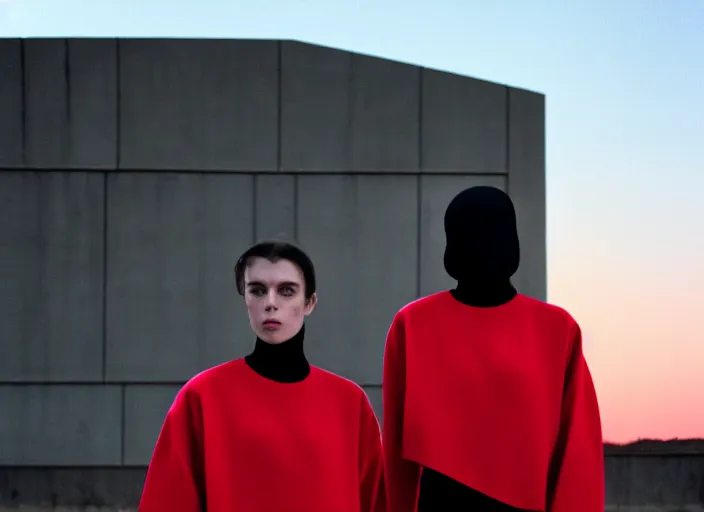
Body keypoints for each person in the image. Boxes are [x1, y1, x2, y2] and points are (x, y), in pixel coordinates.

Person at [382, 186, 604, 511]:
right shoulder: (413, 325)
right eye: (468, 234)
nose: (481, 246)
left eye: (493, 234)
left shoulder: (557, 330)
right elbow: (396, 457)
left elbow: (578, 452)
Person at [139, 239, 386, 512]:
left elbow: (376, 500)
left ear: (309, 302)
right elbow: (167, 501)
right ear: (245, 299)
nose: (270, 303)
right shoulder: (203, 396)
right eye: (257, 290)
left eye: (286, 291)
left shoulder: (349, 402)